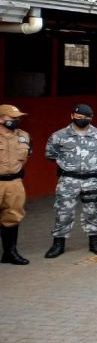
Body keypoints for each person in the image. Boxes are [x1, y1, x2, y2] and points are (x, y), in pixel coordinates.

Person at [44, 104, 97, 258]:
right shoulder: (59, 136)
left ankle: (95, 242)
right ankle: (58, 244)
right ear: (72, 116)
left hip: (92, 179)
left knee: (93, 211)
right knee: (63, 212)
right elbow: (50, 154)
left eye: (86, 118)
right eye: (79, 117)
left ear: (91, 118)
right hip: (68, 179)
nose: (82, 120)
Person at [0, 104, 32, 265]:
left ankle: (9, 253)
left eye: (18, 118)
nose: (17, 120)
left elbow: (25, 159)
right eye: (13, 118)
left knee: (12, 217)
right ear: (1, 118)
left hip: (14, 182)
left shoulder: (23, 136)